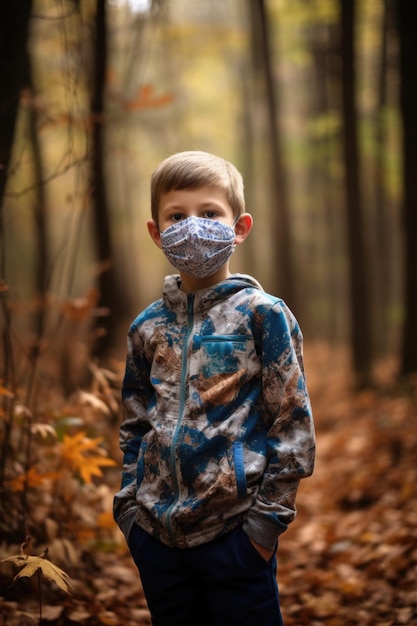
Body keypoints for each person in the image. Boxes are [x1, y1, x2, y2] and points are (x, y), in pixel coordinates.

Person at [113, 150, 315, 626]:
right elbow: (134, 422)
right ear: (156, 232)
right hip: (156, 537)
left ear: (239, 227)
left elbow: (293, 426)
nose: (193, 226)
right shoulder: (147, 327)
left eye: (209, 214)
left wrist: (263, 529)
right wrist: (128, 511)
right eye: (177, 216)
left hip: (236, 537)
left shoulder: (263, 315)